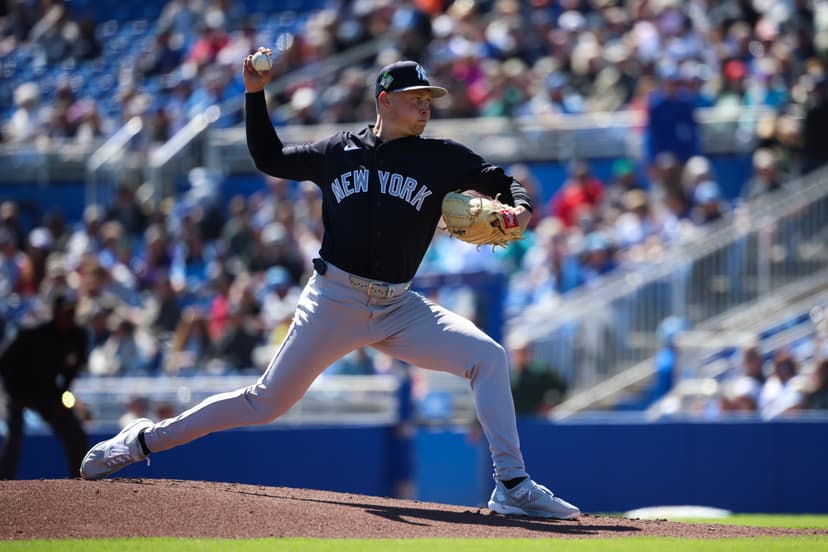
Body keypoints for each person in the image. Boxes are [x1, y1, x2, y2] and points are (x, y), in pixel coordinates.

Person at [79, 54, 580, 520]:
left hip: (398, 305)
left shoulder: (442, 158)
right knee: (264, 403)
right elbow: (270, 157)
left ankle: (512, 485)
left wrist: (521, 210)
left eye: (429, 98)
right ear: (384, 99)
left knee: (487, 357)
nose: (426, 105)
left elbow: (503, 182)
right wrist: (255, 93)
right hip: (333, 301)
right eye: (416, 97)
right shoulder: (338, 150)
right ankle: (142, 441)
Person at [0, 290, 89, 479]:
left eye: (73, 311)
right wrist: (15, 394)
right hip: (19, 392)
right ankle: (4, 483)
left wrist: (62, 393)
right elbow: (5, 363)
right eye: (66, 312)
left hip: (48, 392)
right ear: (55, 312)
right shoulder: (32, 332)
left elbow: (72, 370)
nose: (69, 316)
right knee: (13, 436)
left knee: (76, 435)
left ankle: (81, 479)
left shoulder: (78, 336)